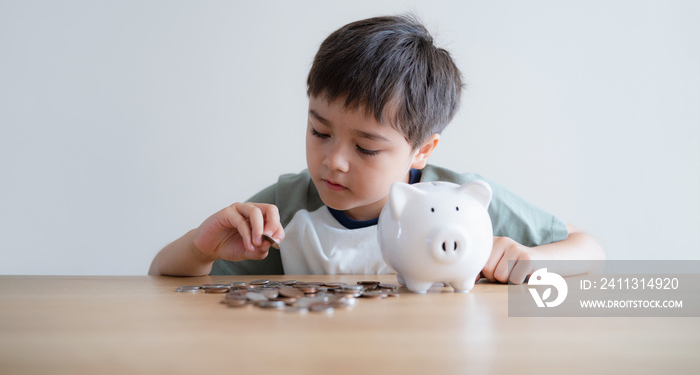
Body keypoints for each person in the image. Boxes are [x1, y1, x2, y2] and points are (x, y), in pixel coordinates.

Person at [149, 15, 604, 283]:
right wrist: (199, 248)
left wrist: (535, 259)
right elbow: (162, 277)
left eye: (366, 148)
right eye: (319, 132)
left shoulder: (462, 202)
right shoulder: (286, 207)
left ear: (422, 150)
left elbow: (590, 249)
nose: (334, 160)